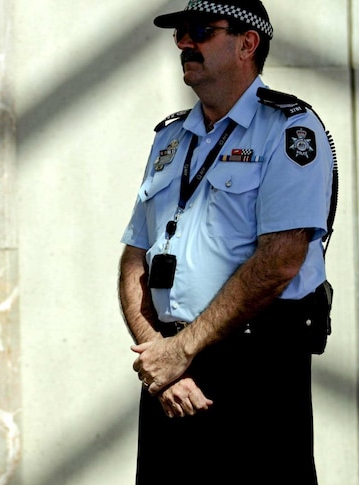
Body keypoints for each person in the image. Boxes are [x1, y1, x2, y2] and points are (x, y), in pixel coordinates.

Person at [118, 1, 335, 484]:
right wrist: (162, 356)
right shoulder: (170, 138)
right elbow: (136, 252)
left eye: (200, 31)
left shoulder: (290, 130)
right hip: (170, 377)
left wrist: (180, 352)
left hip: (255, 371)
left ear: (247, 43)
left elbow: (280, 260)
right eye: (179, 34)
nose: (183, 43)